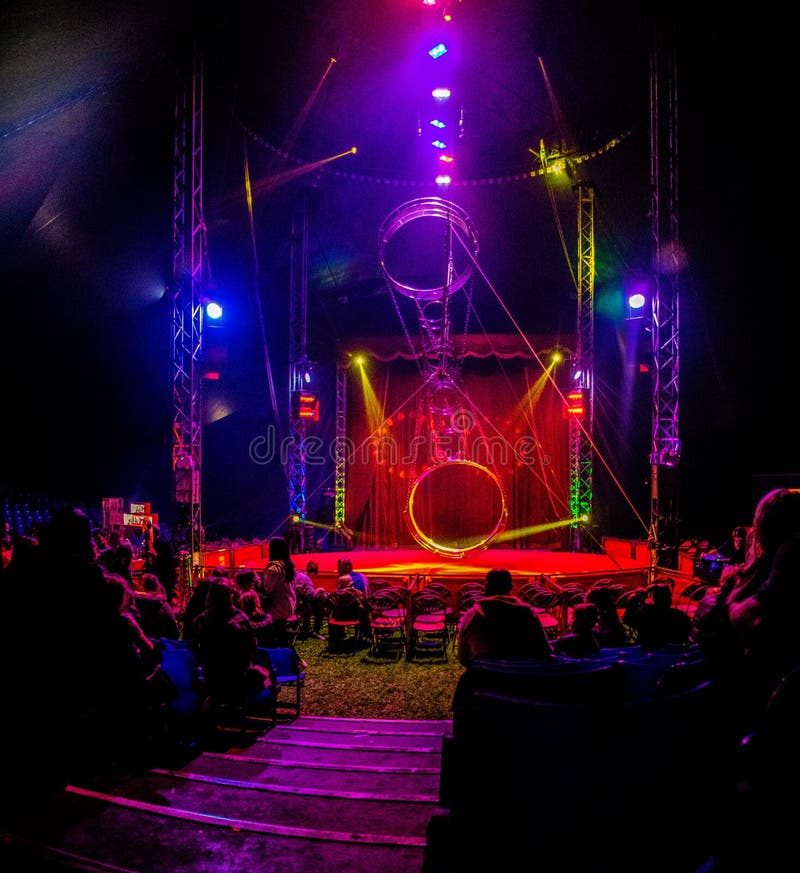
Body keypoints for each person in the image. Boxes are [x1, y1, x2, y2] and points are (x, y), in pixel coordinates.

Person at [456, 567, 553, 666]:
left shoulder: (472, 615)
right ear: (511, 587)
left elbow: (464, 658)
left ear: (486, 587)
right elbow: (544, 650)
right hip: (521, 676)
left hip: (485, 677)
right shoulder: (528, 613)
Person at [622, 580, 692, 650]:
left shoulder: (645, 614)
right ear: (670, 600)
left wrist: (642, 594)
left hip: (647, 654)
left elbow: (627, 619)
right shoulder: (681, 617)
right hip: (673, 656)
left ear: (654, 599)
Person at [258, 536, 297, 646]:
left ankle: (292, 658)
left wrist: (258, 581)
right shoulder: (289, 566)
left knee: (279, 635)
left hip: (278, 607)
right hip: (289, 605)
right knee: (281, 632)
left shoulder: (273, 568)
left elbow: (267, 589)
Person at [293, 559, 328, 639]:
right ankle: (315, 631)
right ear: (313, 573)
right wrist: (320, 590)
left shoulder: (298, 574)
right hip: (301, 607)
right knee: (320, 608)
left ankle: (306, 628)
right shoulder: (307, 579)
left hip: (293, 603)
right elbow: (311, 595)